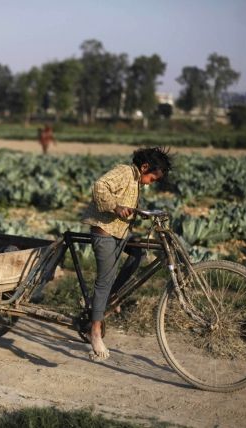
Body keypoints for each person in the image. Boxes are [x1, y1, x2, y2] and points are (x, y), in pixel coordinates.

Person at [81, 147, 172, 360]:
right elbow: (99, 186)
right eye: (152, 177)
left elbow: (128, 203)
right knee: (105, 279)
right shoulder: (124, 172)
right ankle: (94, 331)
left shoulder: (136, 181)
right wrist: (115, 207)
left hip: (120, 234)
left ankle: (111, 297)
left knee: (139, 253)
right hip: (103, 233)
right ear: (144, 167)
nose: (151, 182)